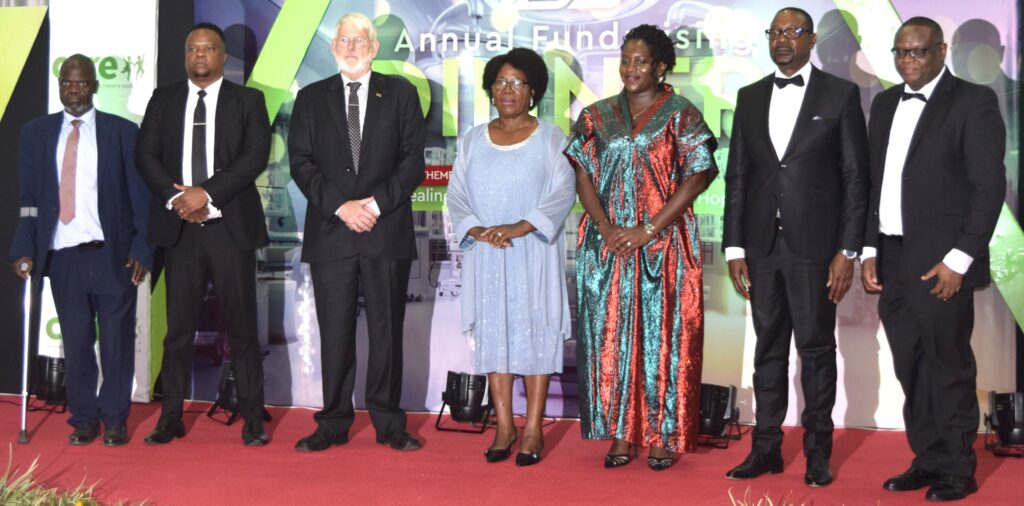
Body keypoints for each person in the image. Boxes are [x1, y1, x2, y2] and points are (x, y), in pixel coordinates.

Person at [722, 7, 868, 487]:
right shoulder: (749, 97)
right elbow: (738, 177)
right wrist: (734, 246)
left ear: (811, 40)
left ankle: (818, 453)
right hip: (761, 248)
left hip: (815, 248)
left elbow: (854, 179)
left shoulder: (841, 94)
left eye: (793, 32)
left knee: (816, 350)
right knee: (767, 352)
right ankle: (765, 448)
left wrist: (848, 250)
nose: (783, 40)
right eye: (776, 32)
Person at [861, 16, 1005, 502]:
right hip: (893, 254)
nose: (908, 61)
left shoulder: (973, 101)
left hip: (942, 262)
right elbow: (873, 186)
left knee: (949, 365)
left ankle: (958, 469)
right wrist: (867, 249)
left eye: (918, 51)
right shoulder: (883, 104)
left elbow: (989, 190)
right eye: (901, 52)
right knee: (911, 364)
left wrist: (959, 260)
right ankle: (928, 456)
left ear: (942, 52)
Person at [565, 24, 718, 471]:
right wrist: (607, 227)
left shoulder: (680, 114)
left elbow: (698, 175)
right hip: (608, 245)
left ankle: (661, 435)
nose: (631, 69)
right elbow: (583, 176)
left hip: (664, 243)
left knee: (664, 339)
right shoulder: (596, 115)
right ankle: (619, 434)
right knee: (609, 340)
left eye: (642, 61)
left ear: (661, 66)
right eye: (626, 60)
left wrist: (649, 228)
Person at [288, 12, 425, 452]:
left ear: (374, 47)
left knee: (387, 331)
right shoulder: (310, 99)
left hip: (385, 230)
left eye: (359, 39)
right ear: (333, 47)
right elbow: (301, 163)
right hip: (332, 230)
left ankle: (388, 422)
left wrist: (375, 205)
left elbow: (412, 163)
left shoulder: (401, 93)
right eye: (343, 39)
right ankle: (332, 421)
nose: (351, 46)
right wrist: (342, 207)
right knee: (335, 331)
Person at [135, 22, 271, 446]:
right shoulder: (164, 99)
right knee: (178, 331)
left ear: (222, 56)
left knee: (242, 328)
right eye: (193, 48)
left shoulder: (248, 100)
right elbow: (146, 155)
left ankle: (252, 419)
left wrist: (206, 195)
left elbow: (253, 158)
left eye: (208, 49)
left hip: (229, 227)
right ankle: (170, 418)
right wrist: (179, 200)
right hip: (181, 232)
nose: (199, 55)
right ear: (185, 55)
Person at [10, 54, 152, 447]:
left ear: (94, 86)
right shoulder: (35, 134)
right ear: (60, 85)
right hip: (63, 257)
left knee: (117, 343)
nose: (73, 90)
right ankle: (85, 418)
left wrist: (142, 246)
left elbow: (141, 199)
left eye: (81, 83)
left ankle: (116, 418)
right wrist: (23, 247)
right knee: (75, 344)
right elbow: (29, 201)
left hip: (112, 256)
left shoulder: (122, 133)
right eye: (66, 83)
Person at [447, 48, 575, 467]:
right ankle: (504, 426)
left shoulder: (552, 137)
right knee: (494, 337)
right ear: (490, 88)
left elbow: (563, 191)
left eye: (517, 82)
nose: (507, 90)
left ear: (533, 91)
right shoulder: (472, 140)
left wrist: (521, 227)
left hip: (533, 252)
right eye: (500, 81)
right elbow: (457, 195)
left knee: (536, 334)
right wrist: (480, 231)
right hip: (488, 255)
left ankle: (534, 428)